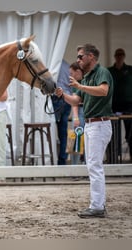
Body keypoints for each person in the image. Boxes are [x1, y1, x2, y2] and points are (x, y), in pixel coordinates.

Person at [55, 43, 113, 218]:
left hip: (99, 123)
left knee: (94, 166)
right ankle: (97, 204)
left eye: (81, 56)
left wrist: (79, 87)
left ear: (91, 57)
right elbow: (75, 101)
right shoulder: (87, 77)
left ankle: (97, 206)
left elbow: (103, 91)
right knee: (92, 165)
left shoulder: (102, 73)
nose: (78, 59)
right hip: (91, 125)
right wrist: (62, 94)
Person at [108, 48, 132, 161]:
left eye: (121, 55)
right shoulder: (110, 71)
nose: (119, 57)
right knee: (113, 134)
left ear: (124, 56)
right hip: (113, 104)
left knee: (130, 134)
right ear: (115, 56)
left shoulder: (130, 70)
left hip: (128, 105)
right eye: (118, 55)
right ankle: (113, 158)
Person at [52, 60, 72, 165]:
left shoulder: (52, 64)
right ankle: (62, 160)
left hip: (56, 98)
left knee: (51, 129)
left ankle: (52, 159)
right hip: (67, 99)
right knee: (63, 132)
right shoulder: (67, 66)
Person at [69, 62, 85, 165]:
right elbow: (75, 102)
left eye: (72, 73)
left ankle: (76, 167)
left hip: (83, 110)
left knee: (77, 140)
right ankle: (74, 166)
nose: (71, 76)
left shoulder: (81, 81)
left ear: (78, 72)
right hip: (80, 110)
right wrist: (75, 117)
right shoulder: (76, 83)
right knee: (75, 138)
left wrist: (75, 117)